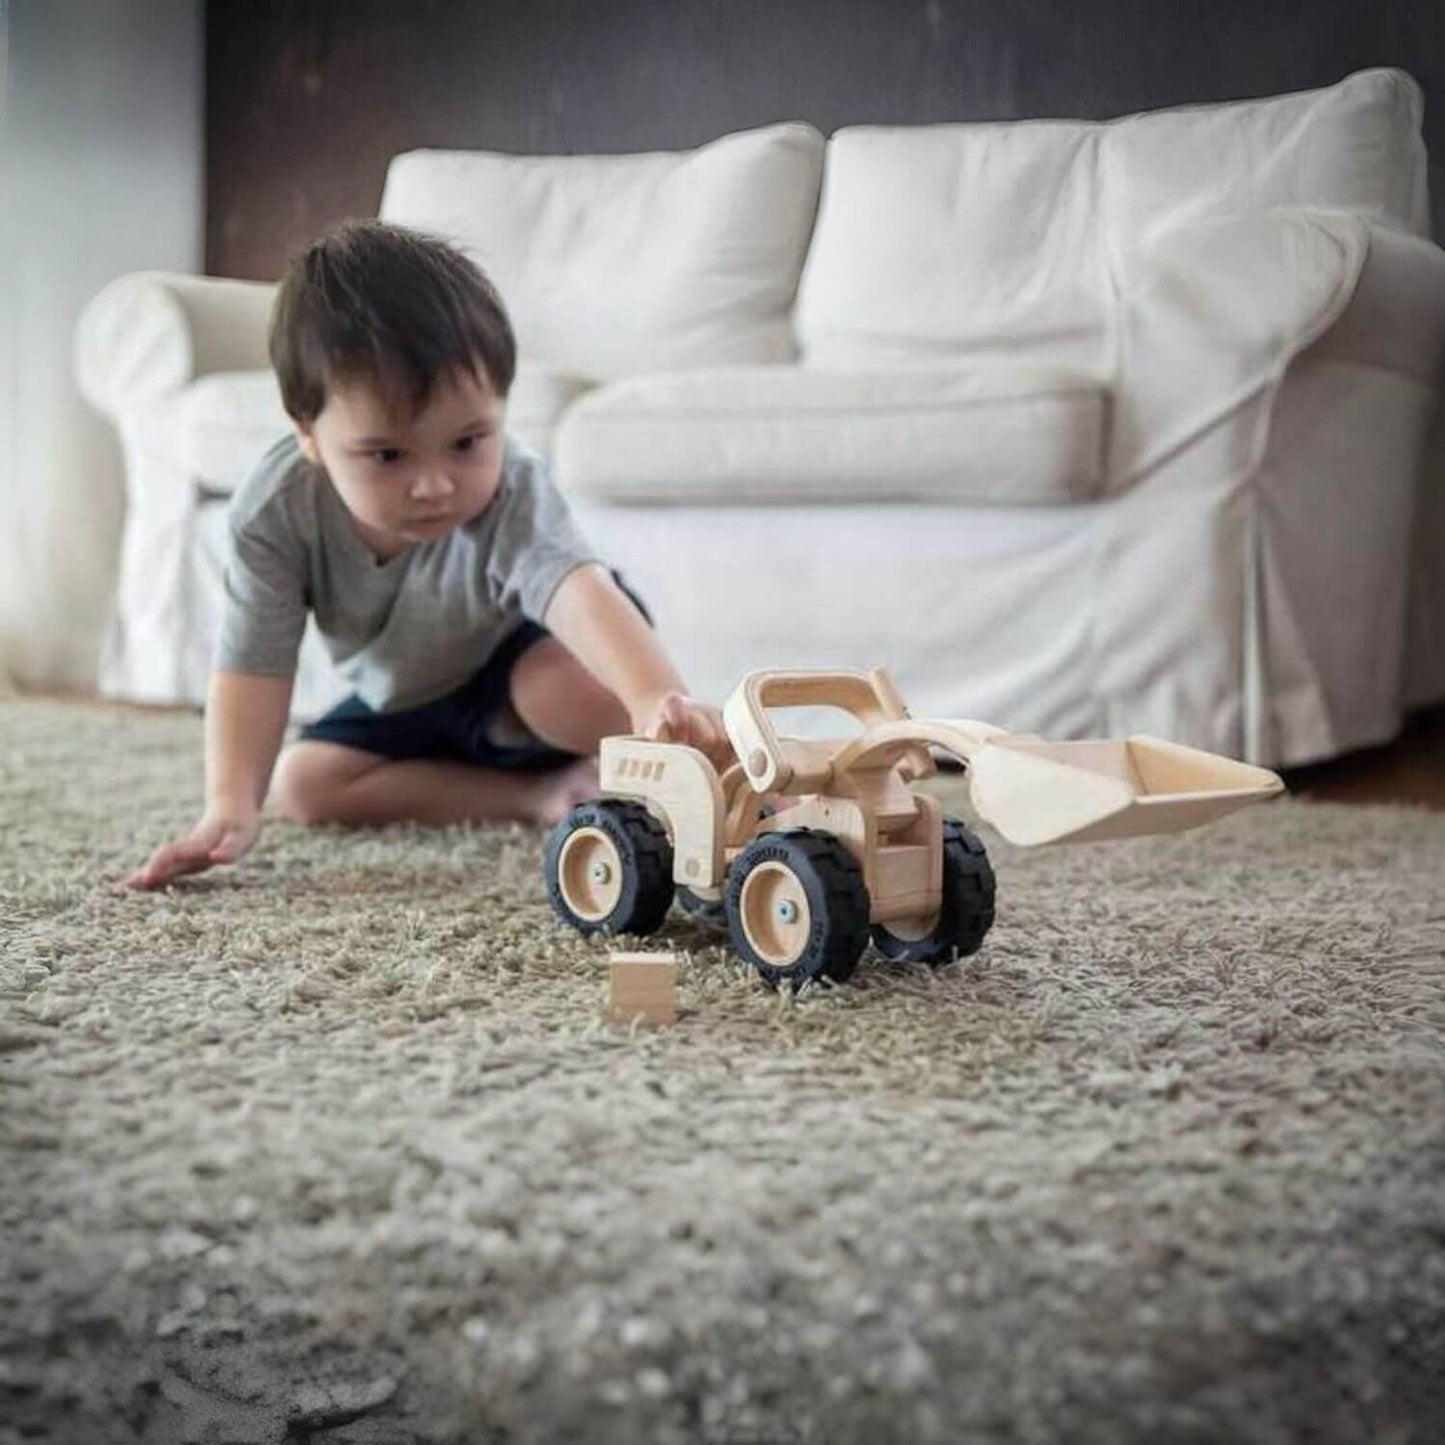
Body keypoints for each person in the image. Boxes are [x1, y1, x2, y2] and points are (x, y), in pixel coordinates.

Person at [128, 219, 728, 890]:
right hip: (410, 693)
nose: (436, 484)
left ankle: (714, 772)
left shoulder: (511, 489)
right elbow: (252, 665)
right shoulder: (275, 512)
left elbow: (577, 590)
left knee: (560, 691)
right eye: (387, 455)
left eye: (468, 441)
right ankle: (540, 795)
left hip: (528, 648)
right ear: (309, 436)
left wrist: (652, 694)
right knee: (303, 785)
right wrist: (228, 804)